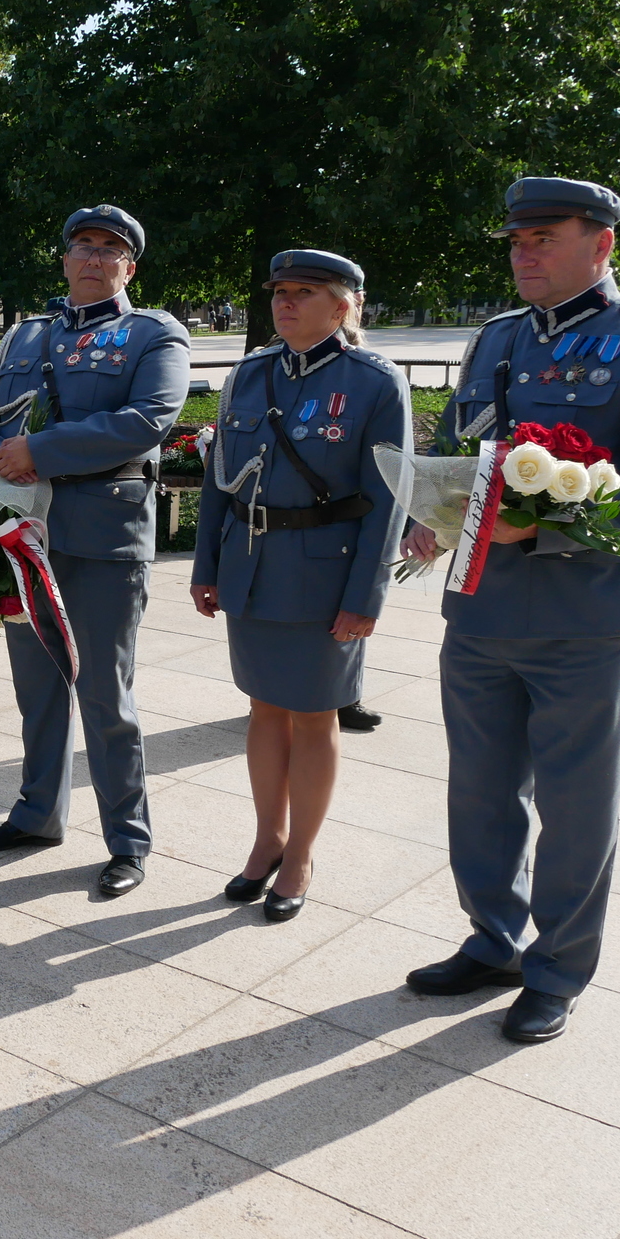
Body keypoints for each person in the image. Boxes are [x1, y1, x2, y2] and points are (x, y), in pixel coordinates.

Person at [401, 177, 620, 1044]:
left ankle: (559, 968)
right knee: (480, 792)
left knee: (577, 805)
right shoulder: (498, 339)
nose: (523, 253)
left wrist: (546, 526)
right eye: (517, 239)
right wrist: (435, 515)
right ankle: (493, 939)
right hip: (481, 613)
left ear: (601, 243)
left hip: (587, 618)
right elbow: (462, 450)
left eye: (544, 237)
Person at [0, 205, 193, 897]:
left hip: (103, 535)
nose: (93, 257)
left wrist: (38, 450)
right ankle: (37, 815)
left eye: (109, 248)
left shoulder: (154, 334)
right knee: (37, 688)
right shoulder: (26, 335)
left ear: (130, 267)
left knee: (104, 694)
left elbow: (147, 419)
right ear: (64, 259)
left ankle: (128, 841)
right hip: (23, 532)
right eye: (82, 245)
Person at [189, 249, 408, 920]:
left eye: (304, 292)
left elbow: (387, 499)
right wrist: (206, 567)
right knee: (264, 708)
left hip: (324, 574)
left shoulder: (374, 382)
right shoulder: (249, 374)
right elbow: (220, 479)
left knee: (314, 716)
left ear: (342, 306)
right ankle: (268, 840)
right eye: (279, 290)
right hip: (251, 565)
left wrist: (365, 597)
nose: (284, 302)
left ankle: (302, 854)